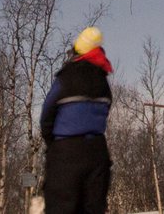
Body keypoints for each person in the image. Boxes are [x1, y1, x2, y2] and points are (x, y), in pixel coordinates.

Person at [40, 26, 113, 214]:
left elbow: (47, 114)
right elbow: (105, 111)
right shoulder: (103, 81)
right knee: (93, 207)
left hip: (65, 154)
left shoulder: (65, 78)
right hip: (97, 153)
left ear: (76, 51)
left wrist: (53, 145)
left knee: (61, 207)